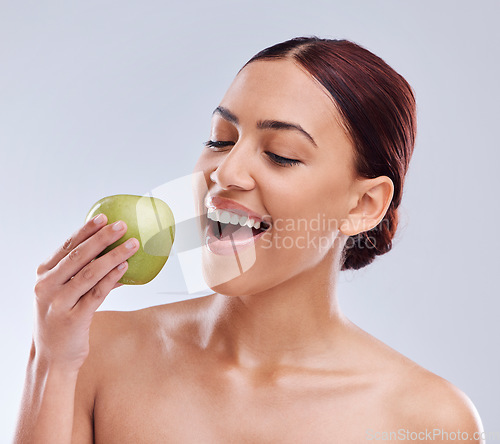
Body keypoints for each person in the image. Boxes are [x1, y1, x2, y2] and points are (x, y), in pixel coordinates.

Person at [14, 36, 484, 443]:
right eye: (220, 140)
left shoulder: (429, 420)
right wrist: (51, 363)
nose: (226, 172)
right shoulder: (94, 353)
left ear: (363, 206)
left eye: (280, 155)